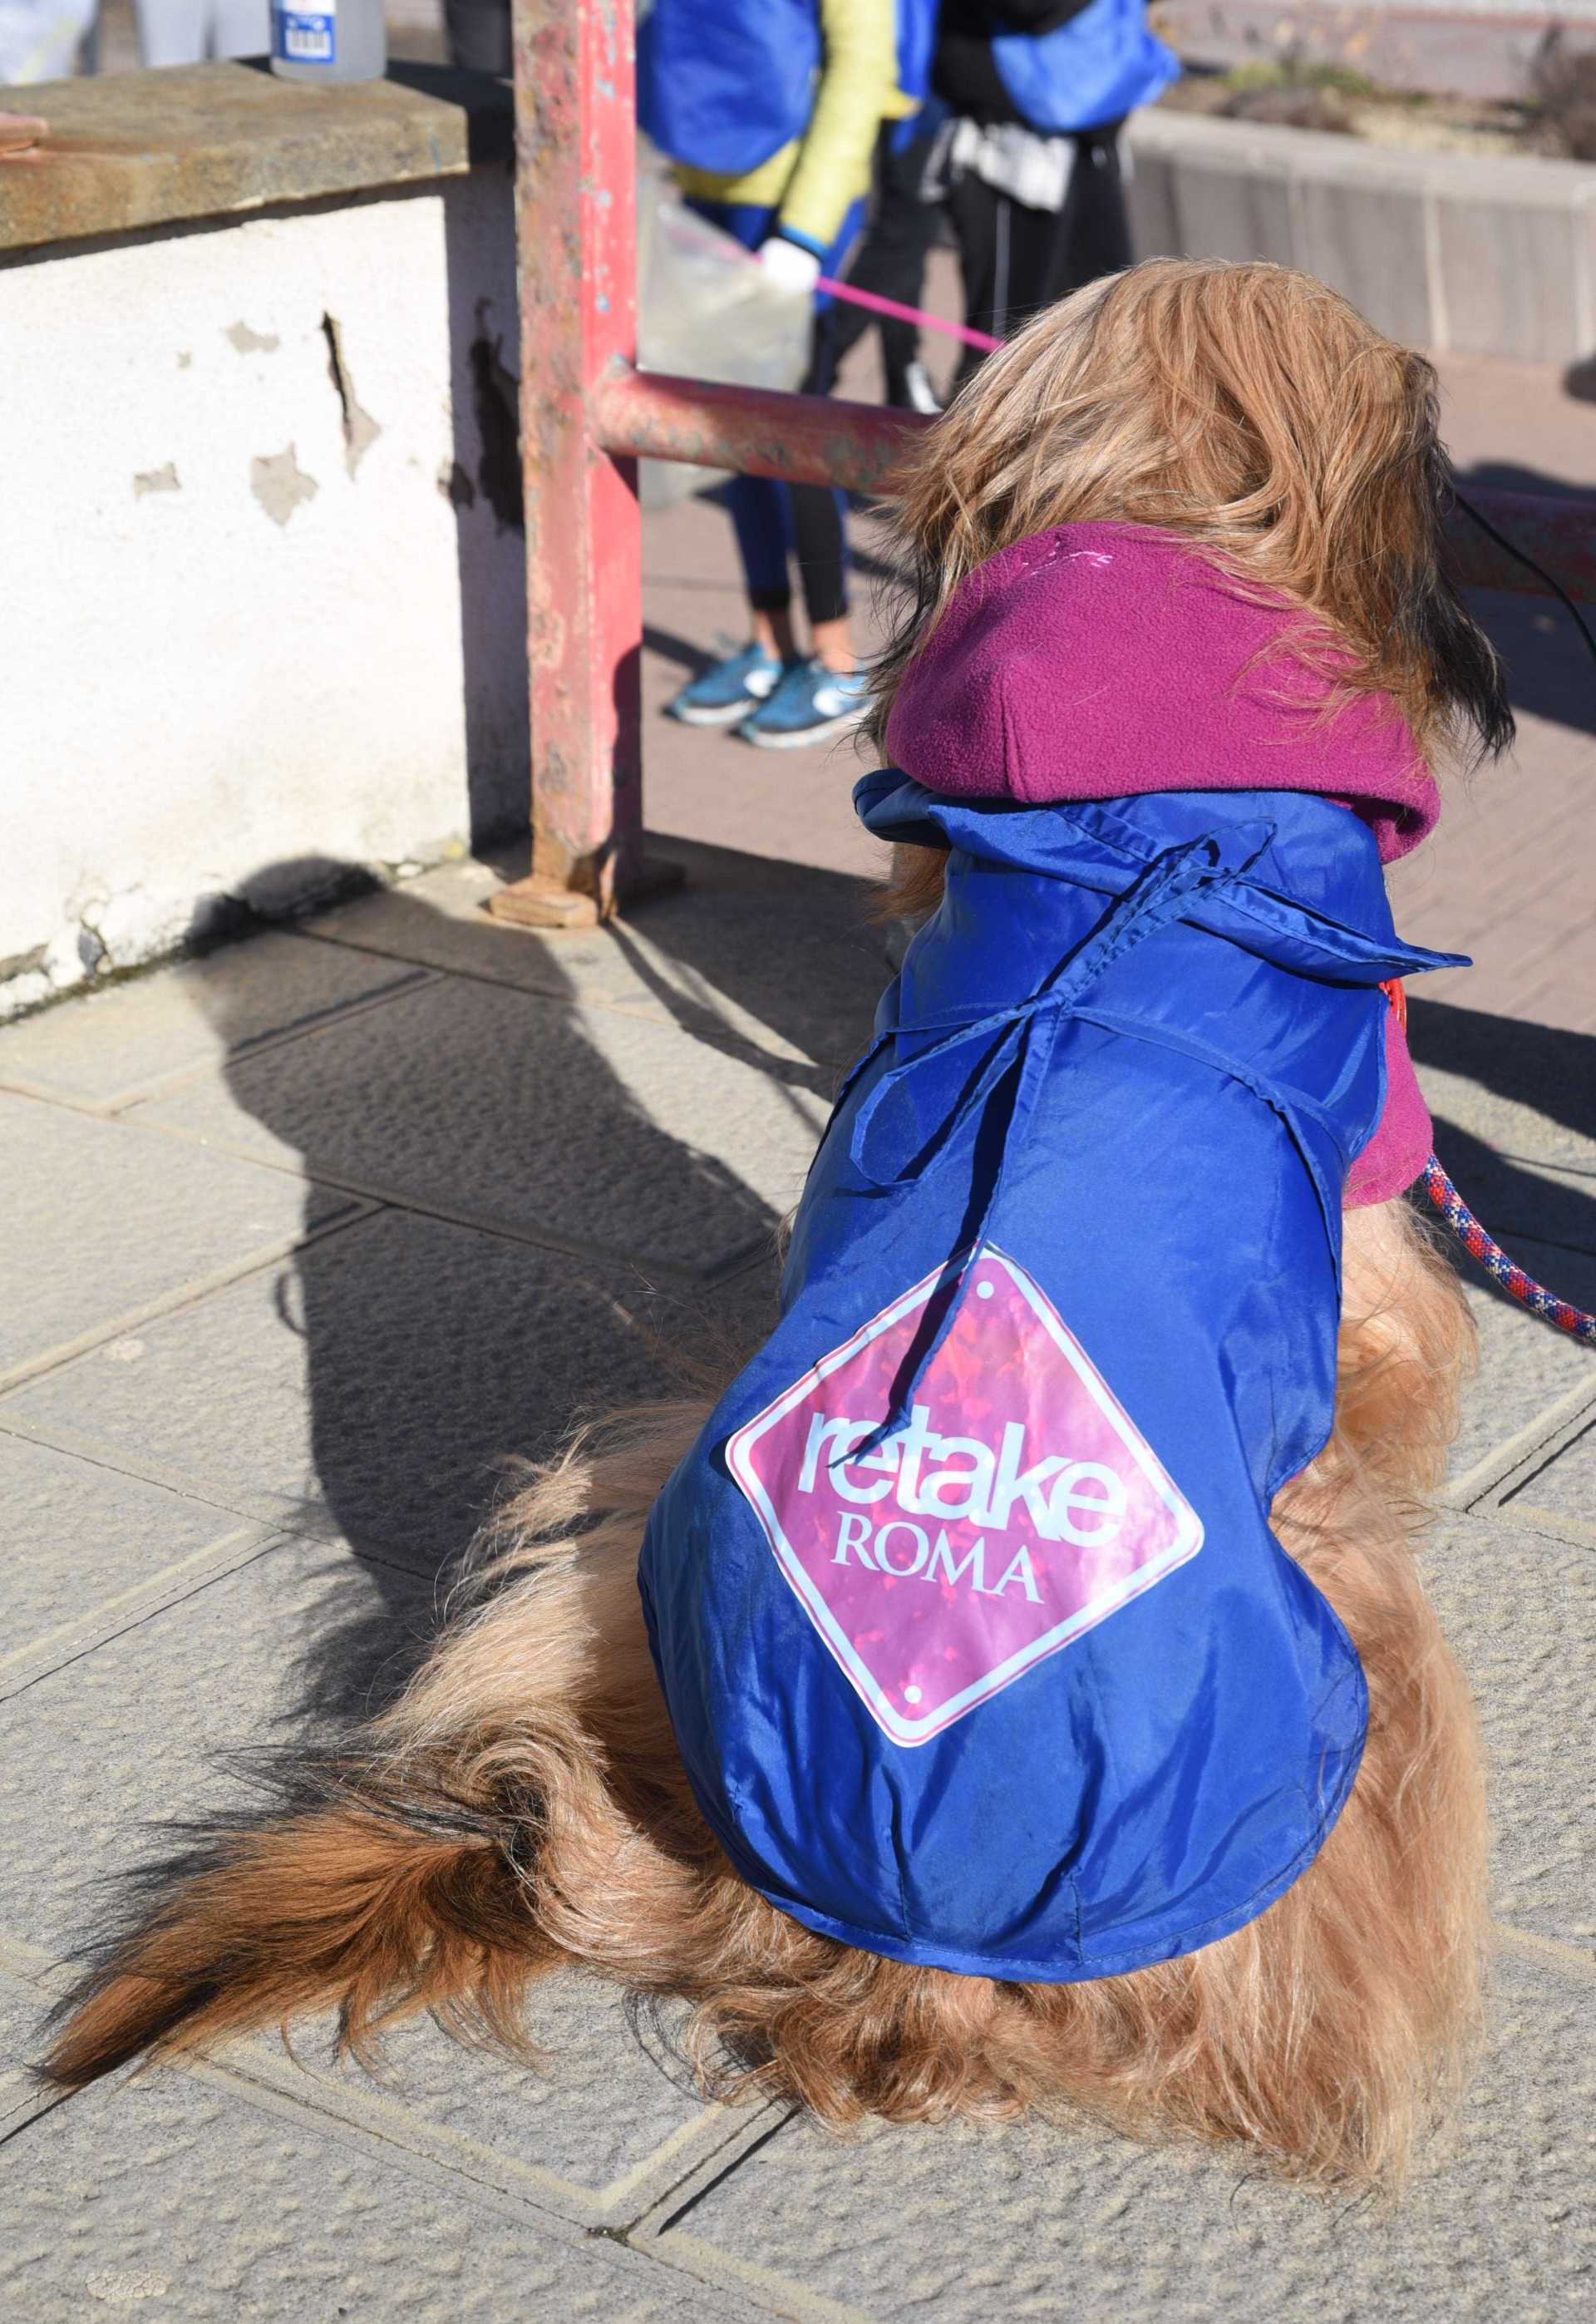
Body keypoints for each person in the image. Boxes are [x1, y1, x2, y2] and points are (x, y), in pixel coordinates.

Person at [640, 0, 920, 748]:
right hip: (708, 186)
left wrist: (806, 227)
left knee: (793, 425)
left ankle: (835, 658)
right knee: (727, 429)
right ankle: (770, 641)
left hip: (797, 204)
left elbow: (862, 67)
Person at [930, 0, 1177, 381]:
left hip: (1090, 135)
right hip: (1011, 153)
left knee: (1109, 336)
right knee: (1005, 355)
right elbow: (1027, 9)